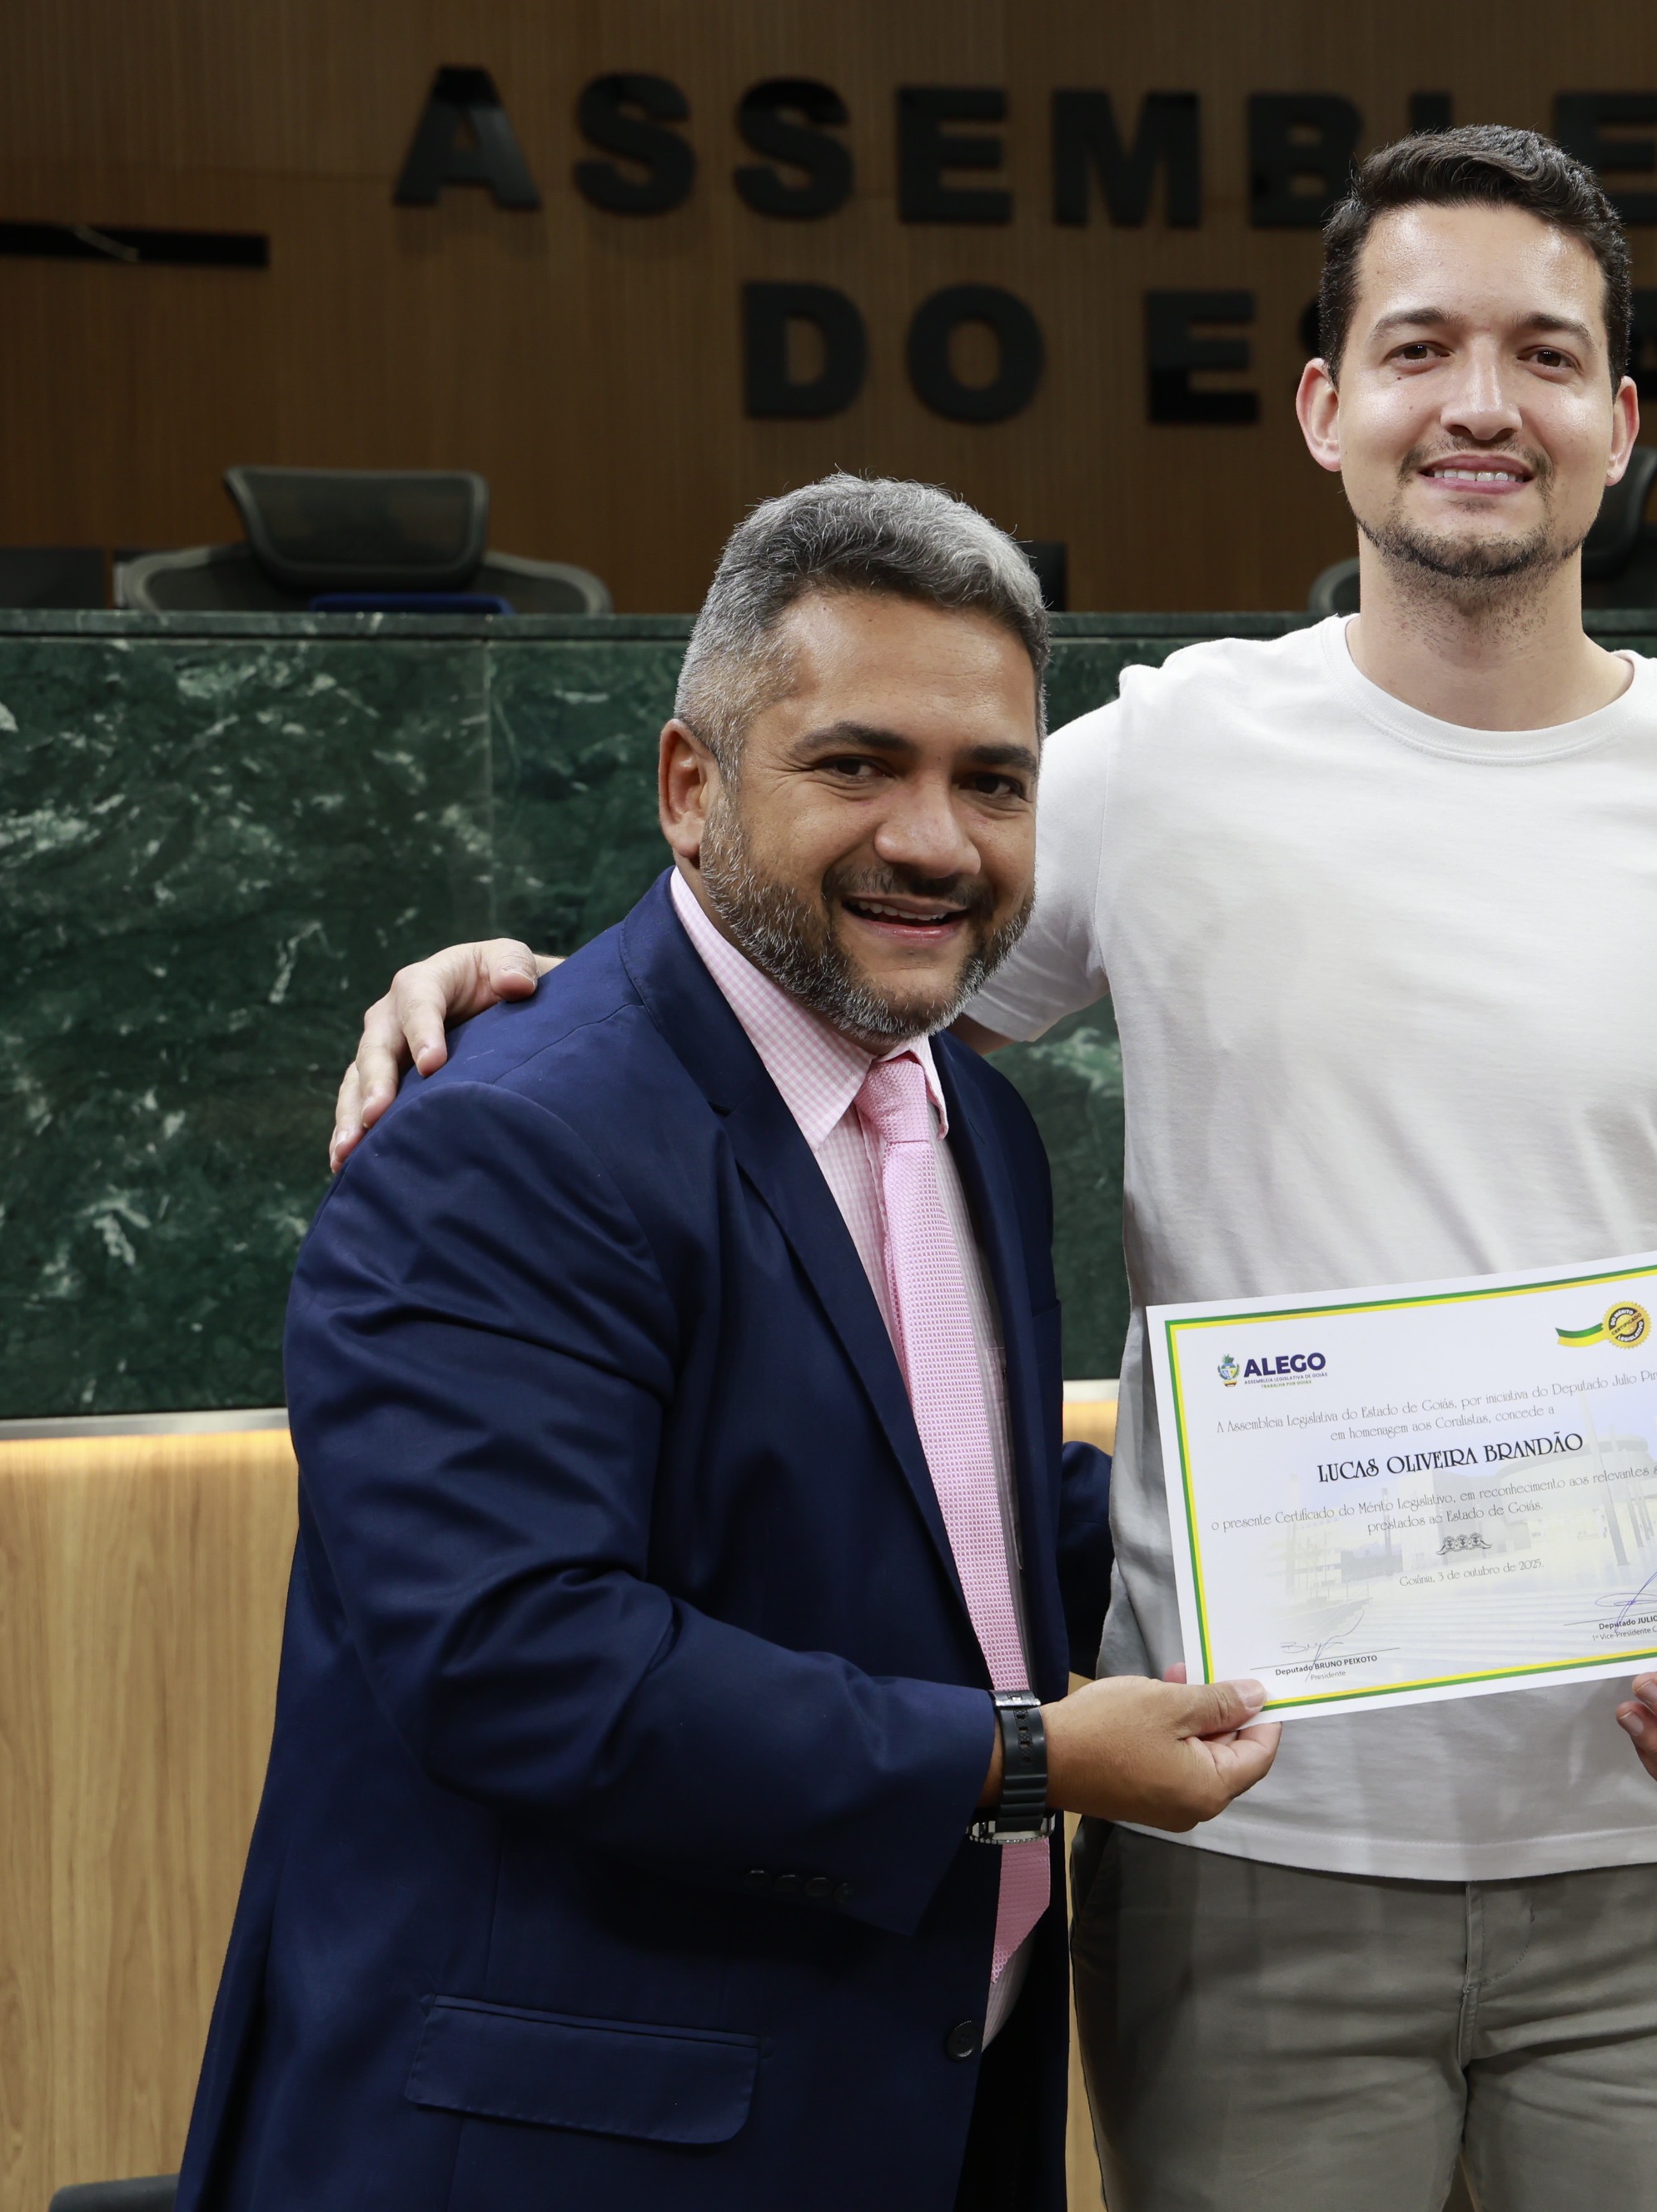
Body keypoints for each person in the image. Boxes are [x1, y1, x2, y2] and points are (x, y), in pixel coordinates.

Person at [326, 129, 1657, 2212]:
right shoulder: (1156, 762)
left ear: (1622, 420)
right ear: (1324, 407)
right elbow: (826, 950)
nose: (1482, 403)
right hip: (1242, 1825)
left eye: (1545, 353)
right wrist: (537, 988)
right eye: (1418, 346)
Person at [182, 478, 1278, 2212]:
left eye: (994, 781)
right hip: (571, 2151)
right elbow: (518, 1655)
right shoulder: (505, 1137)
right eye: (858, 764)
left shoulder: (967, 1117)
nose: (938, 839)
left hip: (910, 2108)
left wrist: (1349, 1525)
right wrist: (1025, 1759)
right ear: (691, 786)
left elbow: (930, 1517)